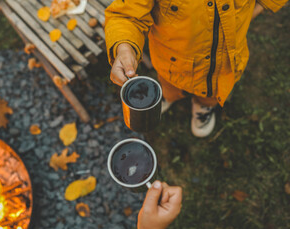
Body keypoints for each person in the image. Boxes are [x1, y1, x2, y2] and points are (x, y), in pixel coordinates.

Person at [104, 0, 287, 137]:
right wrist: (124, 47)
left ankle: (203, 109)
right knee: (169, 86)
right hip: (172, 63)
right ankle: (167, 97)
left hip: (220, 67)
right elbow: (126, 15)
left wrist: (257, 9)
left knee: (210, 96)